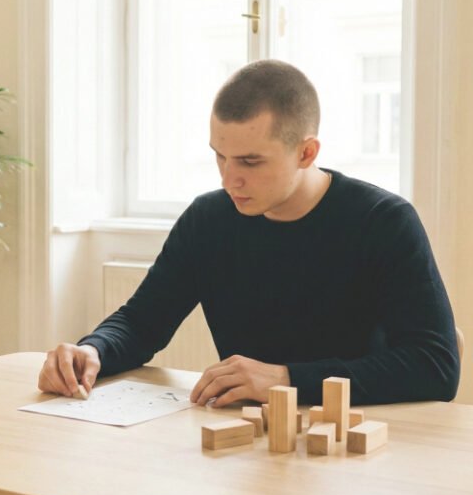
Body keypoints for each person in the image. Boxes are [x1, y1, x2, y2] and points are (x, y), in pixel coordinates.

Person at [37, 60, 460, 406]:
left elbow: (435, 367)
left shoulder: (384, 221)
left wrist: (286, 379)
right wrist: (93, 350)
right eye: (220, 157)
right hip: (248, 442)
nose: (229, 179)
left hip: (359, 442)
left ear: (306, 152)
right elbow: (142, 322)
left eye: (250, 162)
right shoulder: (208, 220)